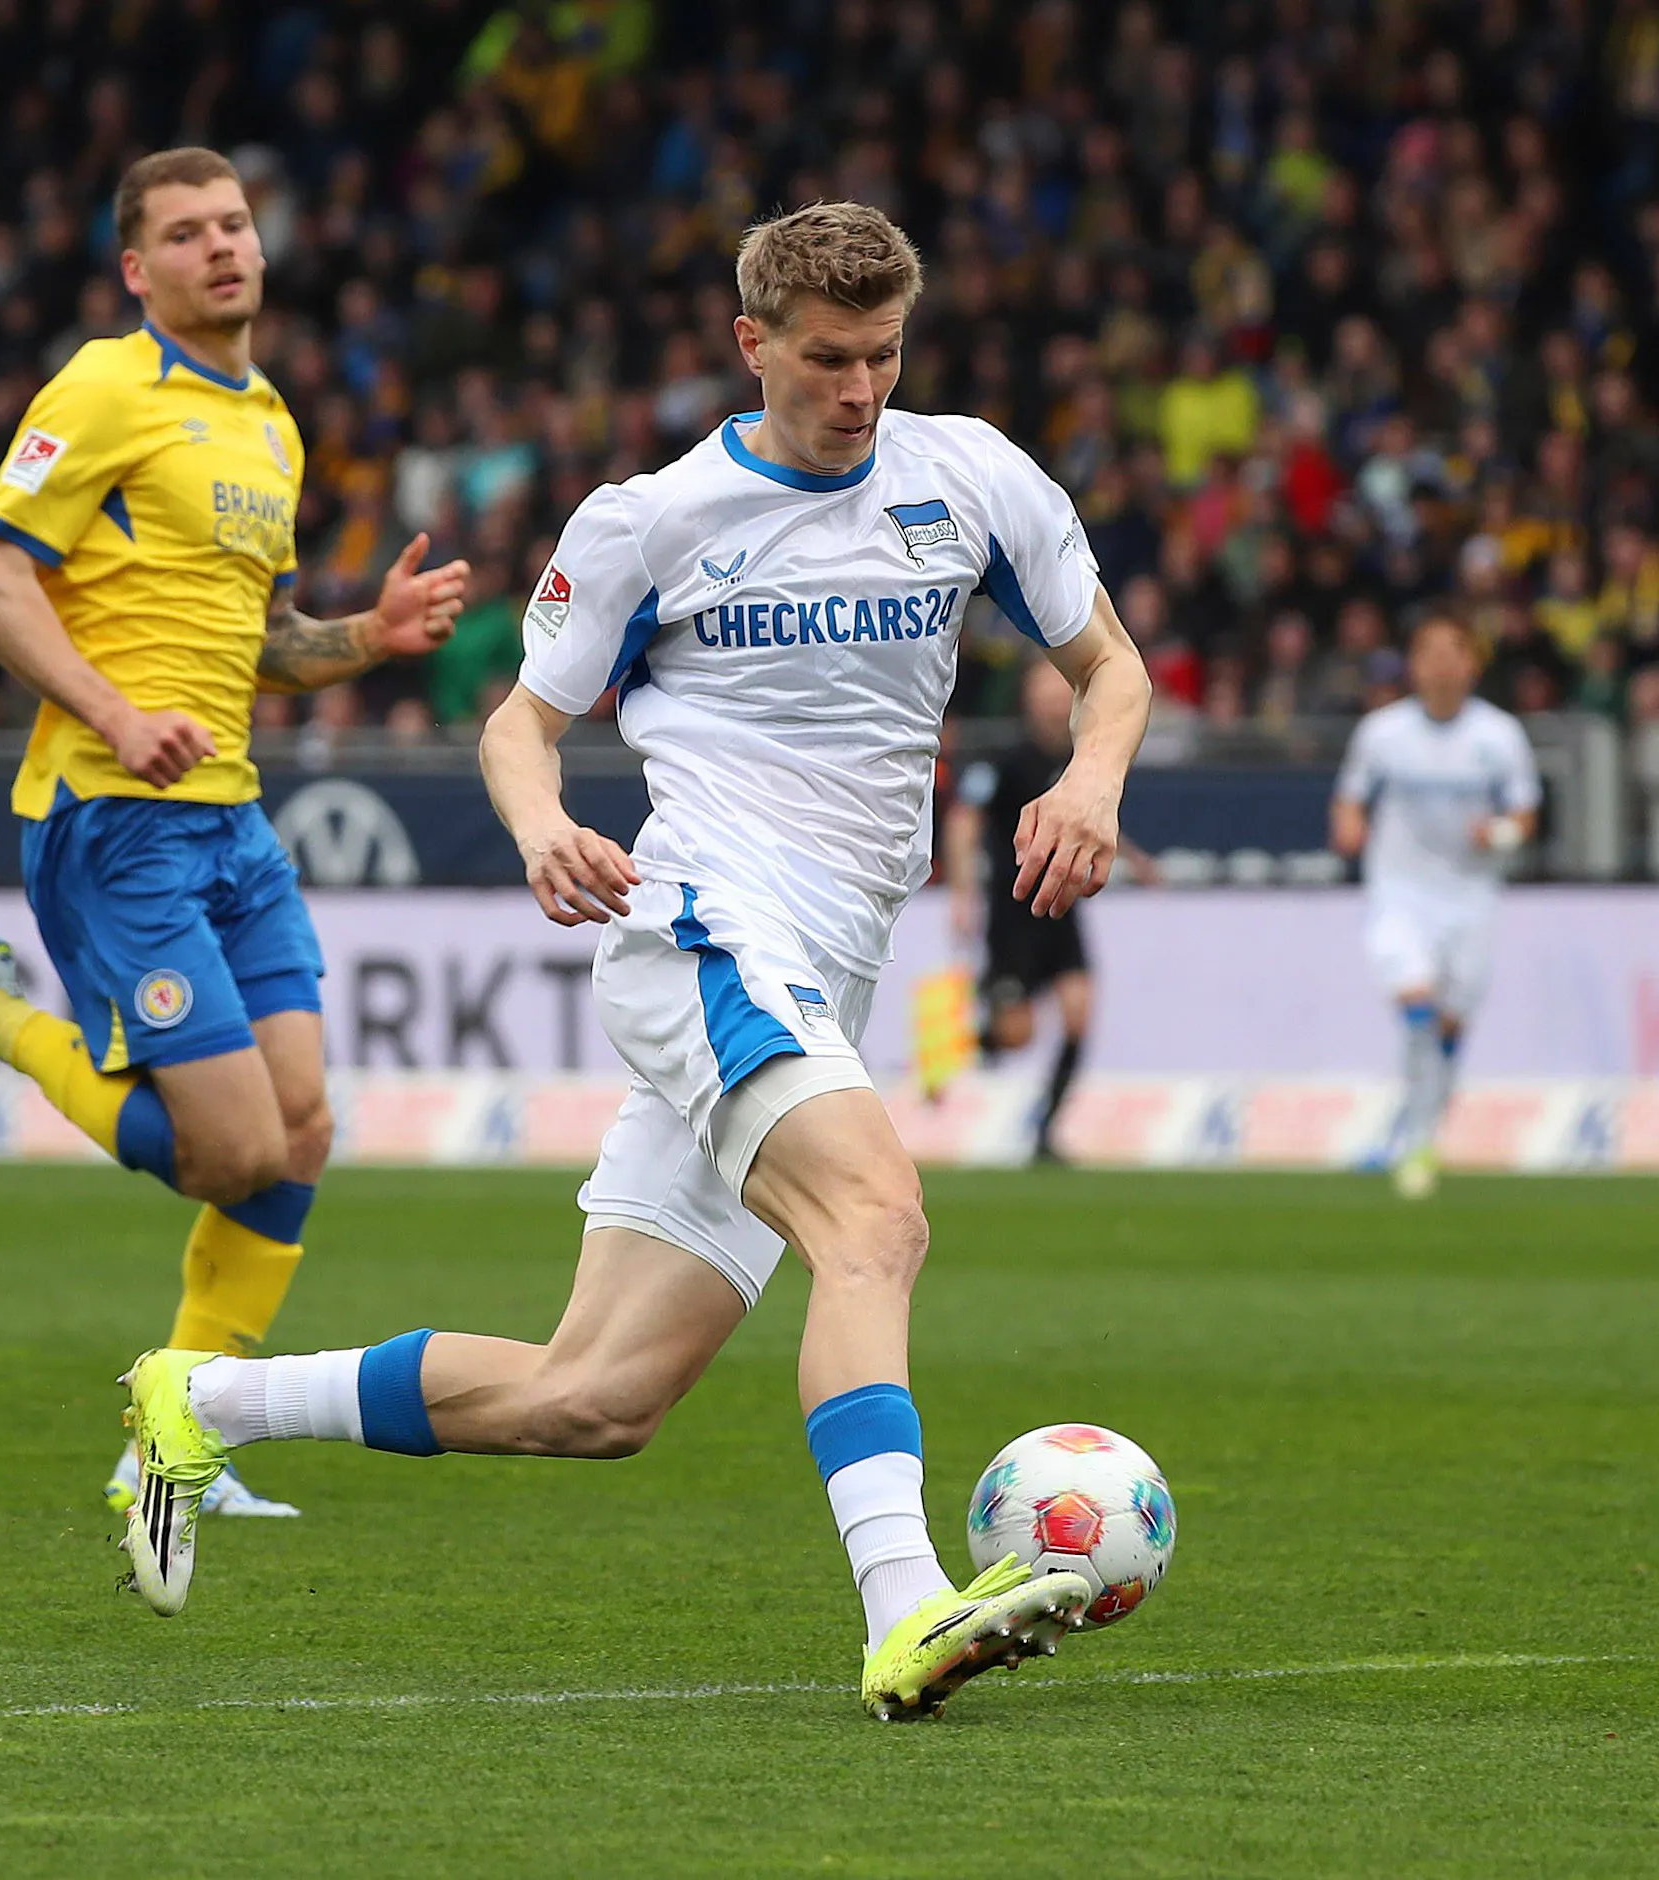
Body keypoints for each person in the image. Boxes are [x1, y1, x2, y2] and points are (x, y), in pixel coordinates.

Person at [118, 203, 1152, 1723]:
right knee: (875, 1218)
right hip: (705, 929)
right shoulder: (650, 520)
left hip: (831, 963)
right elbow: (519, 723)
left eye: (880, 358)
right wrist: (542, 829)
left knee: (594, 1397)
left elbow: (1111, 667)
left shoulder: (974, 473)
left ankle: (201, 1402)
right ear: (751, 346)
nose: (856, 392)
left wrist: (1094, 780)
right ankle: (908, 1606)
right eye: (823, 361)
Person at [0, 148, 469, 1513]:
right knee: (231, 1153)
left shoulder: (269, 423)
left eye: (237, 224)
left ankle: (175, 1442)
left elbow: (261, 643)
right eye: (187, 234)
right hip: (113, 813)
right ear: (139, 269)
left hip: (232, 819)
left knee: (302, 1127)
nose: (222, 249)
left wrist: (369, 636)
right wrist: (116, 714)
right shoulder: (101, 385)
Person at [1331, 612, 1540, 1198]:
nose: (1444, 666)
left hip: (1470, 898)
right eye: (1431, 653)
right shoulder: (1383, 733)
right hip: (1400, 894)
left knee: (1450, 1025)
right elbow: (1349, 799)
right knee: (1416, 1004)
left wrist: (1498, 834)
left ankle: (1419, 1133)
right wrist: (1349, 828)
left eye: (1456, 653)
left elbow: (1524, 814)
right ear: (1414, 665)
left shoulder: (1498, 737)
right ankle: (1417, 1140)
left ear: (1473, 664)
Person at [945, 658, 1157, 1162]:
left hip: (1061, 907)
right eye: (1043, 690)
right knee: (1017, 1037)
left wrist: (1137, 860)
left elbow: (1090, 820)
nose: (1052, 700)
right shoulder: (1002, 761)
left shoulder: (1080, 761)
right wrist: (962, 892)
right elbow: (963, 820)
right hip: (1013, 909)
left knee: (1080, 1013)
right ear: (1028, 699)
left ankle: (1046, 1131)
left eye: (1059, 690)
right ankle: (958, 1042)